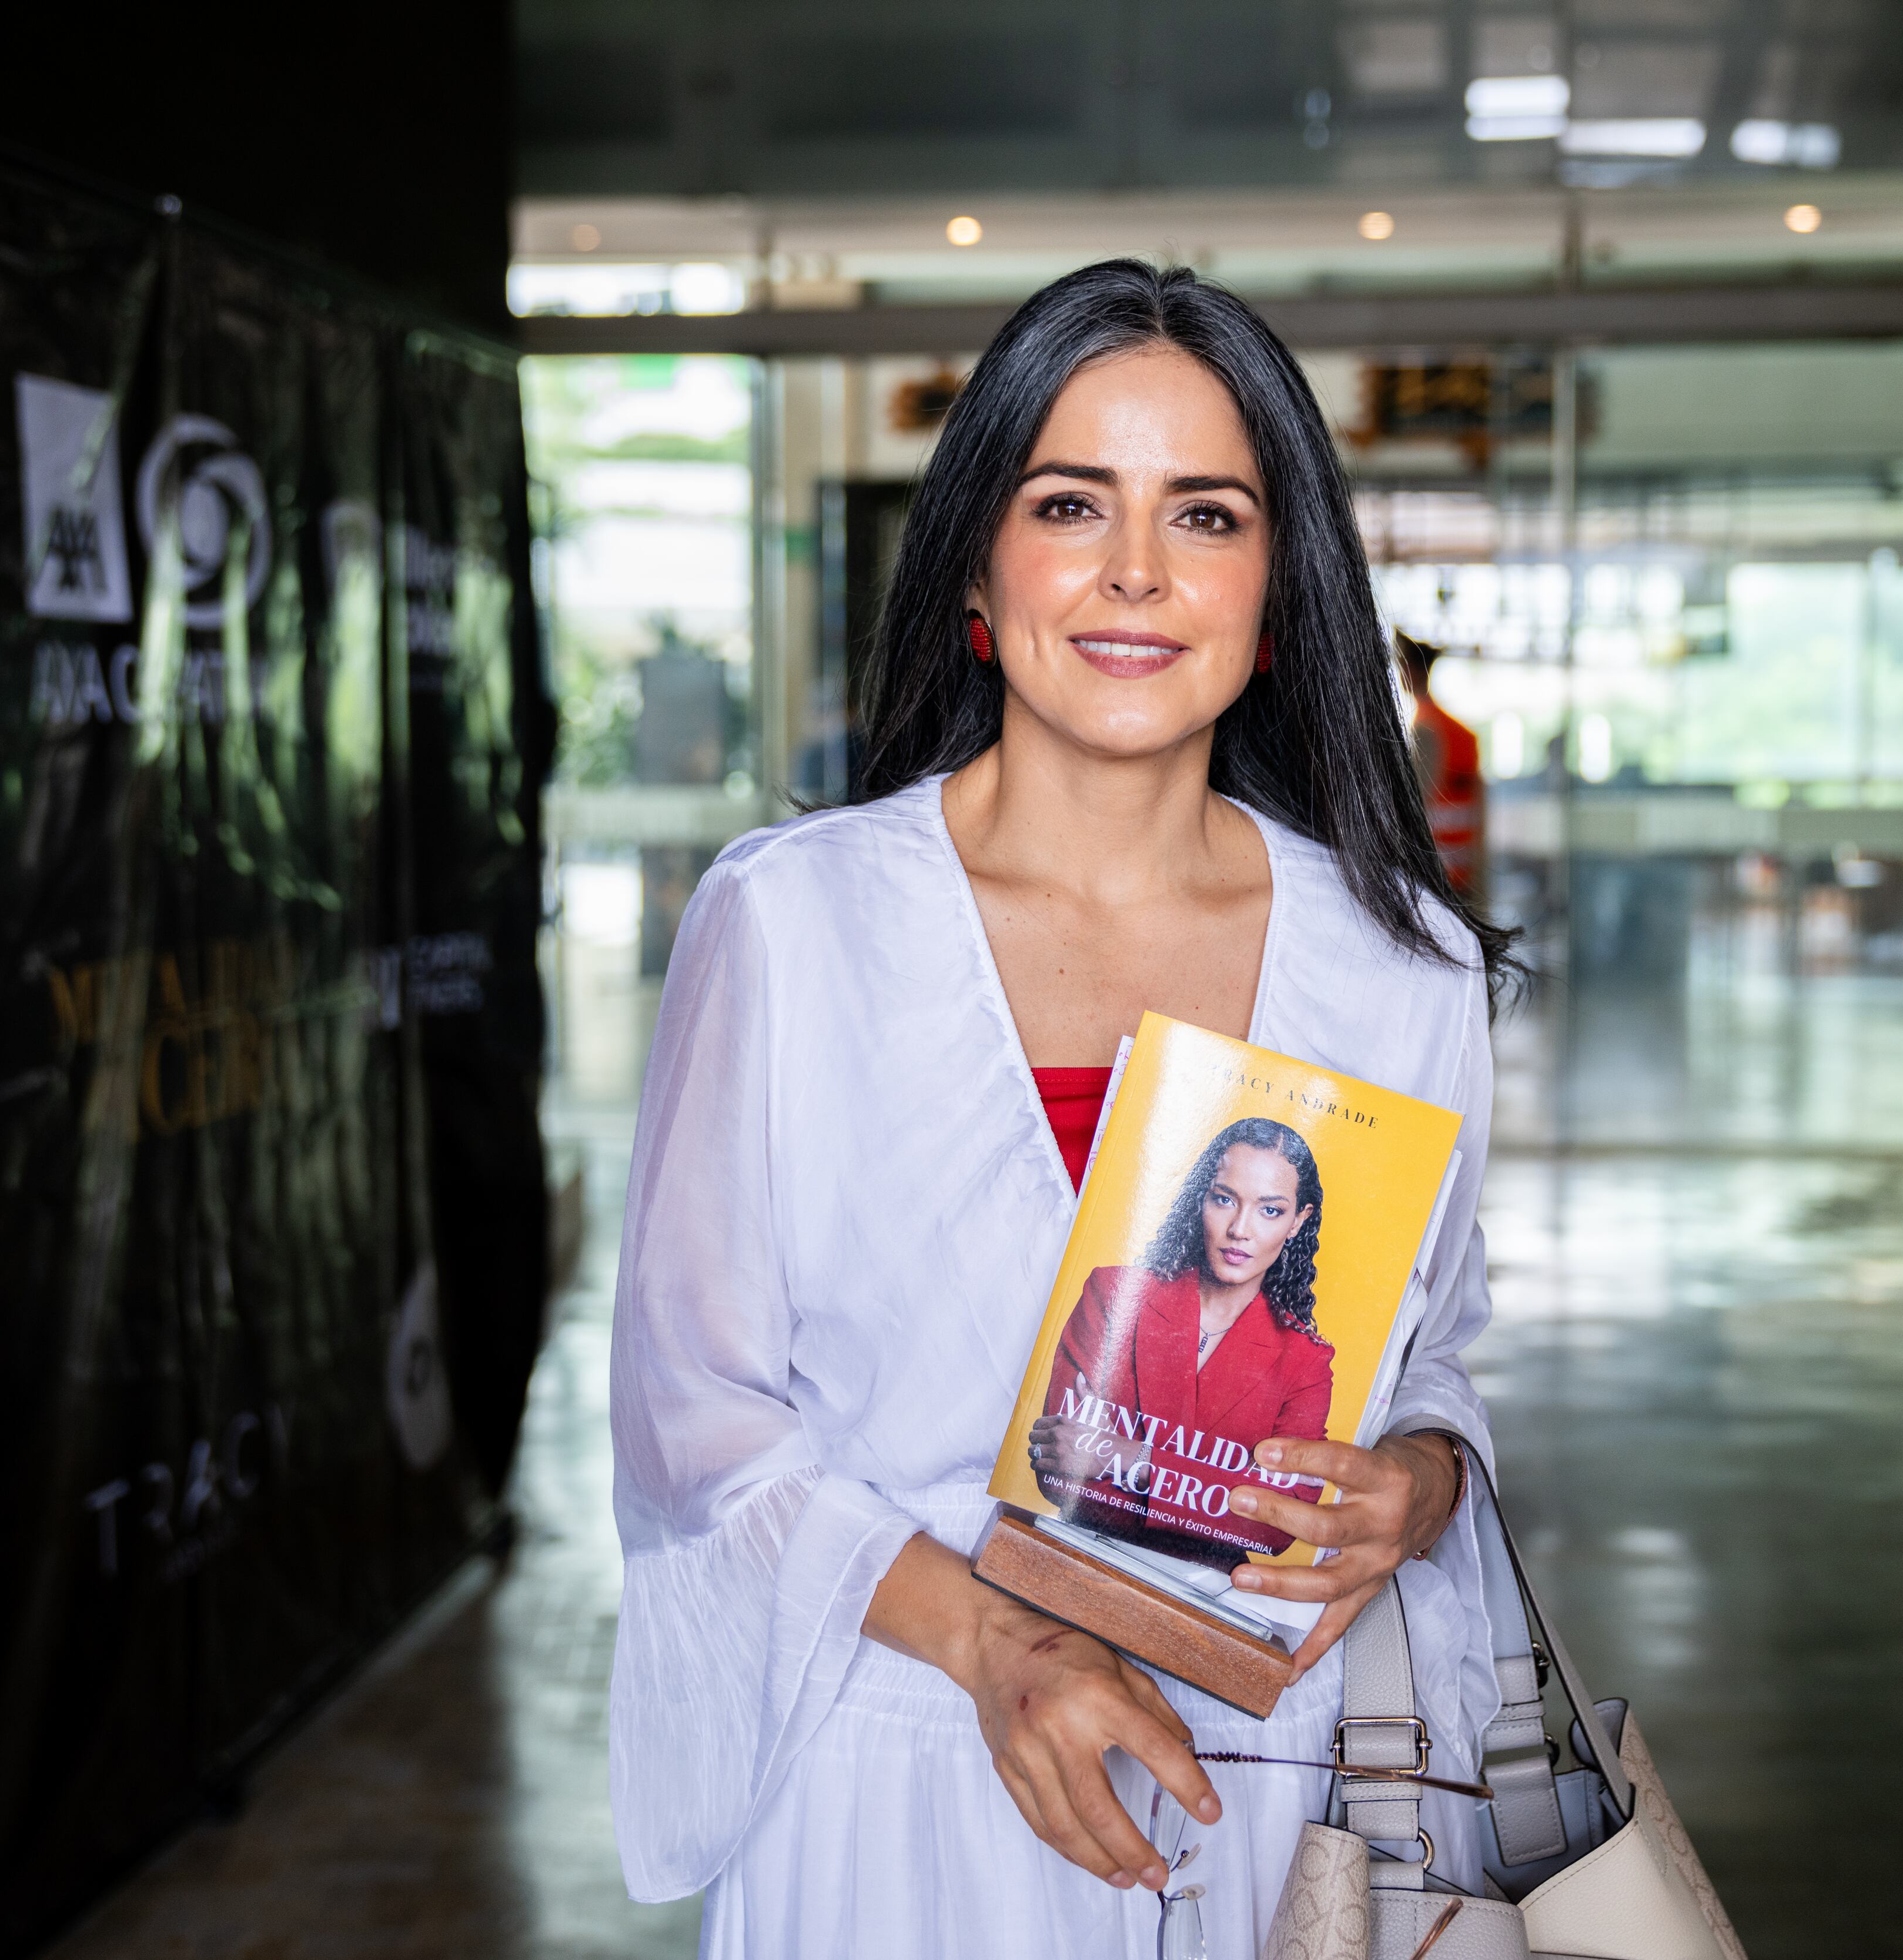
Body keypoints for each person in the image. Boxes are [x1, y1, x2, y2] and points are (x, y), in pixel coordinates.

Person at [607, 259, 1520, 1959]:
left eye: (1208, 515)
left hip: (1271, 1794)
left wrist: (1419, 1476)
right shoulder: (794, 926)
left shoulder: (1402, 970)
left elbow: (1441, 1346)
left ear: (1278, 585)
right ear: (977, 558)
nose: (1135, 572)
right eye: (1070, 501)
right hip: (895, 1775)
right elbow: (694, 1419)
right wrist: (996, 1642)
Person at [1027, 1117, 1335, 1563]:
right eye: (1225, 1199)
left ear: (1297, 1221)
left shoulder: (1306, 1360)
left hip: (1208, 1598)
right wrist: (1223, 1490)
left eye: (1270, 1210)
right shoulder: (1115, 1294)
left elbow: (1281, 1523)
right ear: (1201, 1198)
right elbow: (1057, 1466)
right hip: (1078, 1557)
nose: (1240, 1230)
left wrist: (1131, 1456)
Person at [1397, 630, 1483, 895]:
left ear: (1411, 671)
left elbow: (1417, 807)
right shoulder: (1462, 734)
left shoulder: (1425, 730)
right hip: (1463, 871)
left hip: (1435, 875)